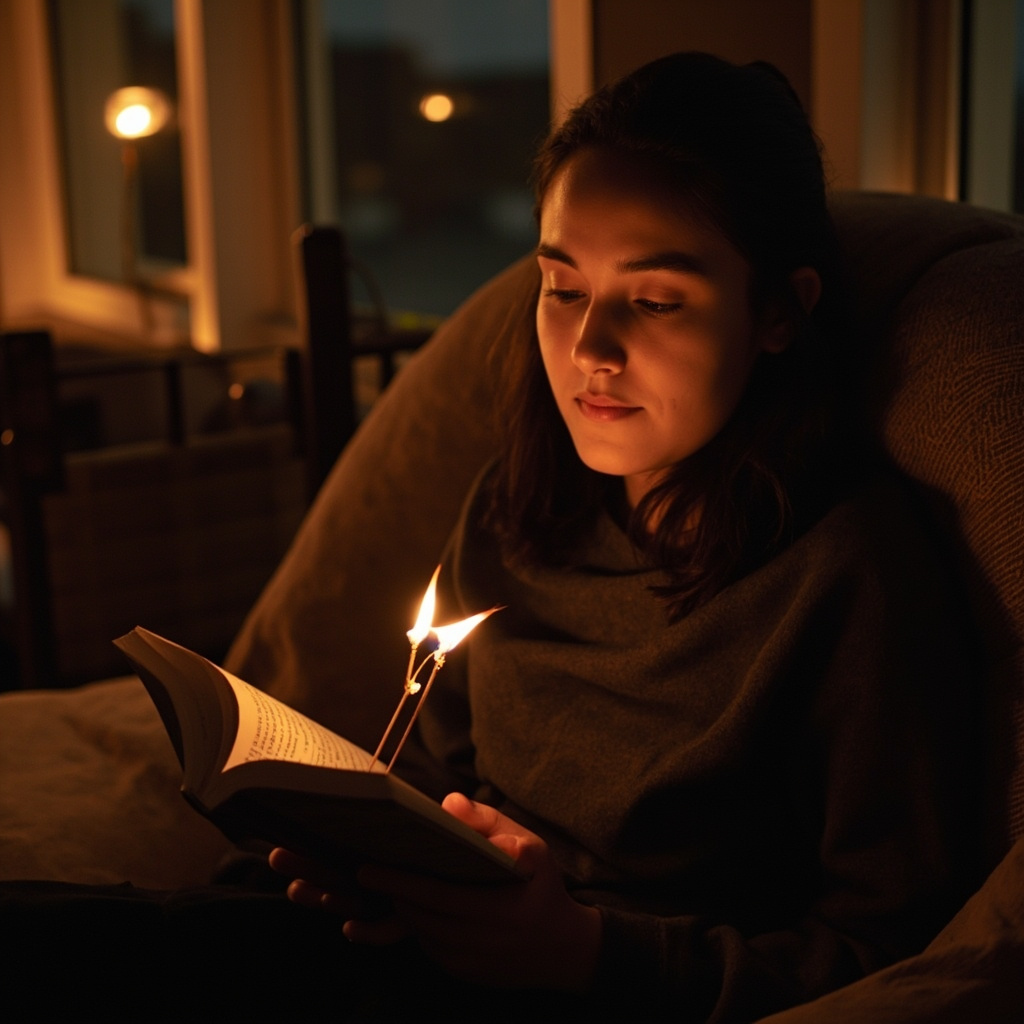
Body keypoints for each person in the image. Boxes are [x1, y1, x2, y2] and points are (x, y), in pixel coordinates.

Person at [3, 52, 979, 1024]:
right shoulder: (524, 505)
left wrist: (584, 951)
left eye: (654, 300)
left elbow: (892, 956)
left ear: (779, 312)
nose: (590, 350)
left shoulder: (849, 578)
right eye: (563, 288)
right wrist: (371, 865)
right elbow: (441, 771)